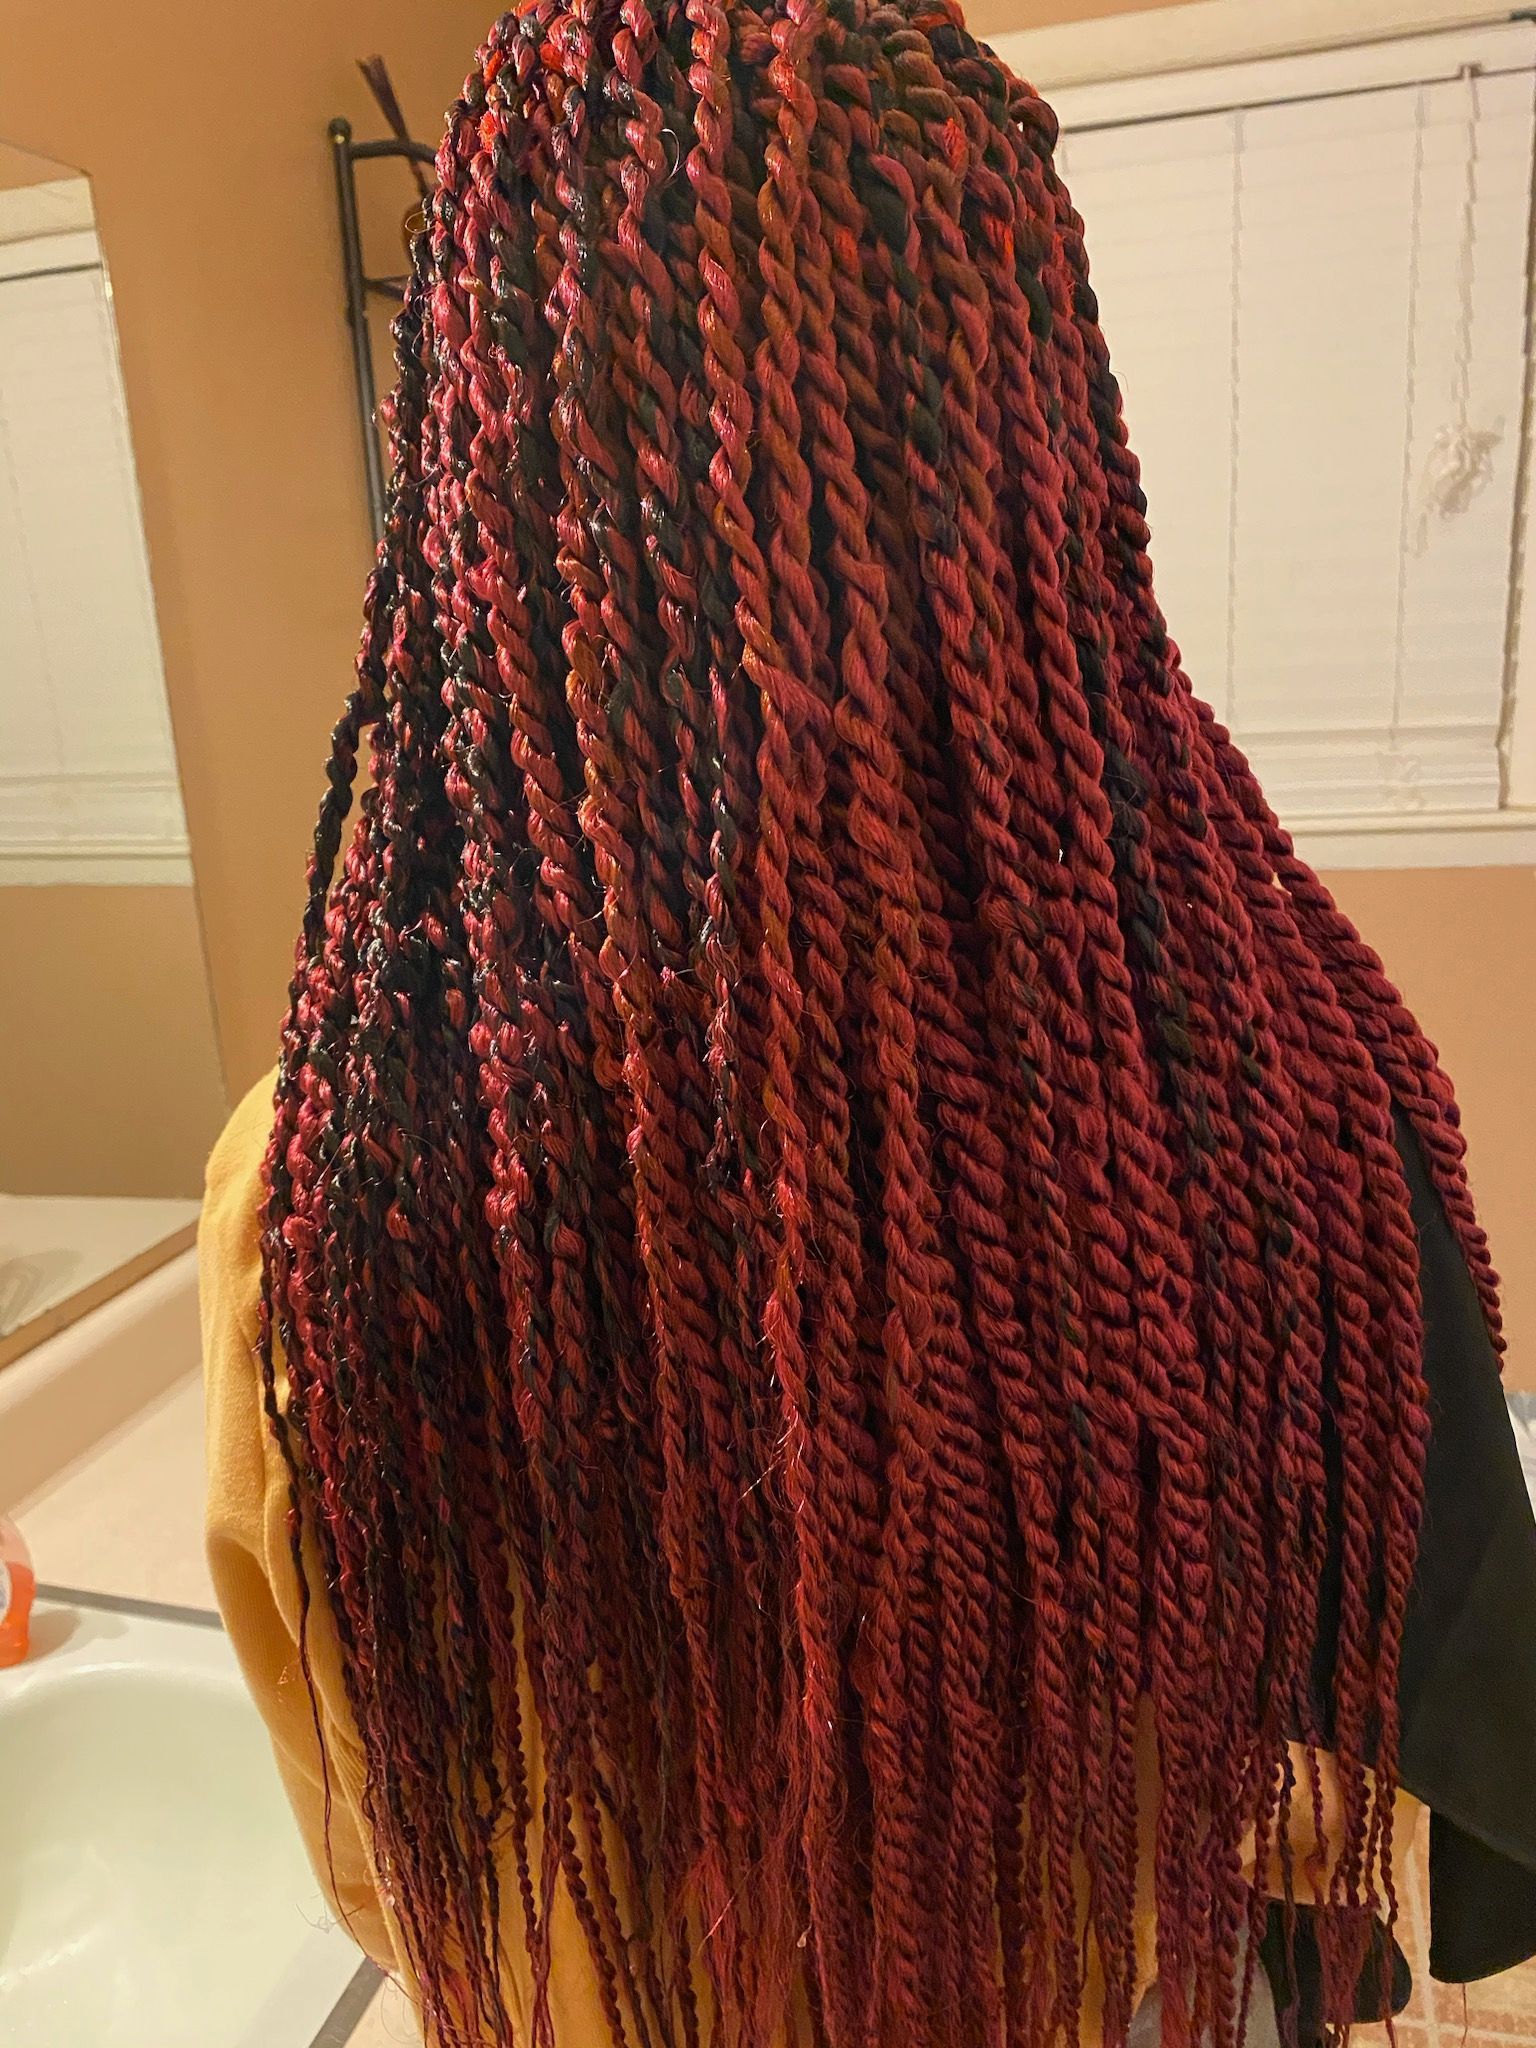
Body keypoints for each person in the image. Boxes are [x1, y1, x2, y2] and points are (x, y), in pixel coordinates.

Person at [201, 3, 1536, 2043]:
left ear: (483, 475)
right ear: (1040, 446)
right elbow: (1412, 1771)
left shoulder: (323, 1195)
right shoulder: (1269, 1102)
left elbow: (382, 1867)